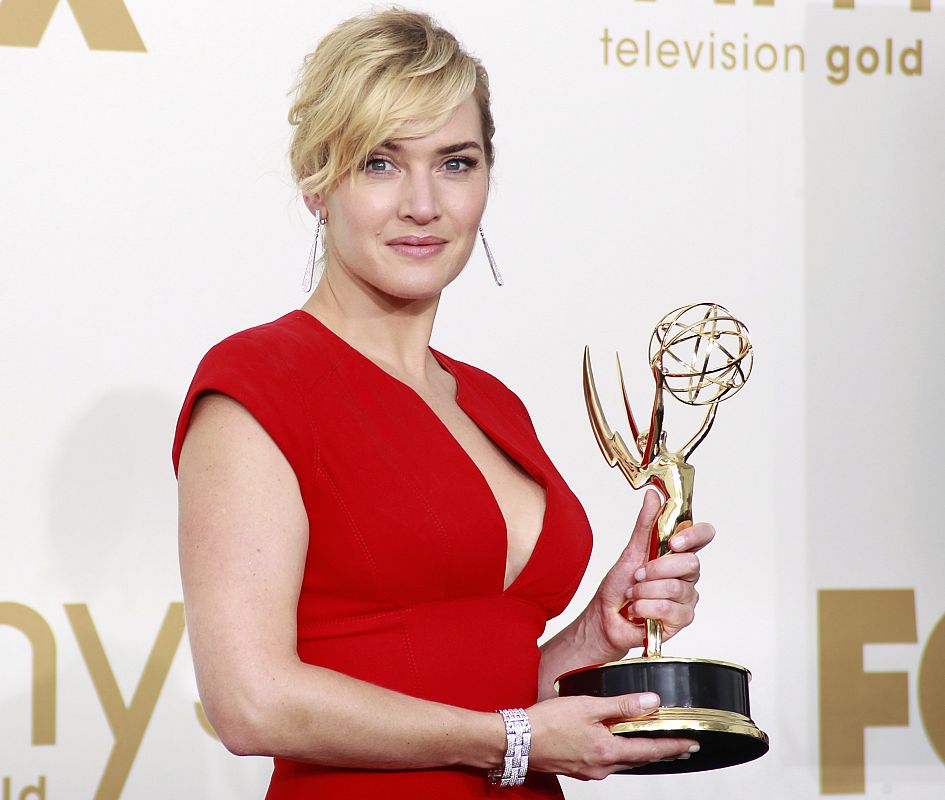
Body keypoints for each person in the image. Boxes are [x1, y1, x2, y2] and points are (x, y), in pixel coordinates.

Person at [172, 9, 714, 798]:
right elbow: (251, 703)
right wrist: (514, 739)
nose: (423, 205)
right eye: (380, 164)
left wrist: (595, 633)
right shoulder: (259, 384)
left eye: (455, 163)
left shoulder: (491, 403)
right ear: (318, 182)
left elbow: (469, 678)